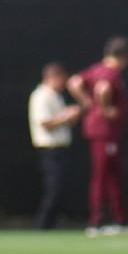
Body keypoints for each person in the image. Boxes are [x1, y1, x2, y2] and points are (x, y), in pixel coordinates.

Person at [68, 36, 128, 235]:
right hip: (105, 131)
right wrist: (104, 108)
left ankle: (117, 218)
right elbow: (102, 88)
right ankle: (96, 220)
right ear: (124, 56)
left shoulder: (94, 69)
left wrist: (86, 101)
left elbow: (74, 82)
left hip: (101, 130)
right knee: (103, 175)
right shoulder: (109, 73)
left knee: (111, 174)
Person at [28, 62, 82, 229]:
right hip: (49, 149)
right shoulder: (41, 96)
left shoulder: (55, 95)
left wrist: (71, 117)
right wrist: (66, 116)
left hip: (60, 148)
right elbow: (45, 123)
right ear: (52, 77)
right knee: (53, 188)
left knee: (59, 188)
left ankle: (51, 223)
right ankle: (42, 224)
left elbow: (61, 122)